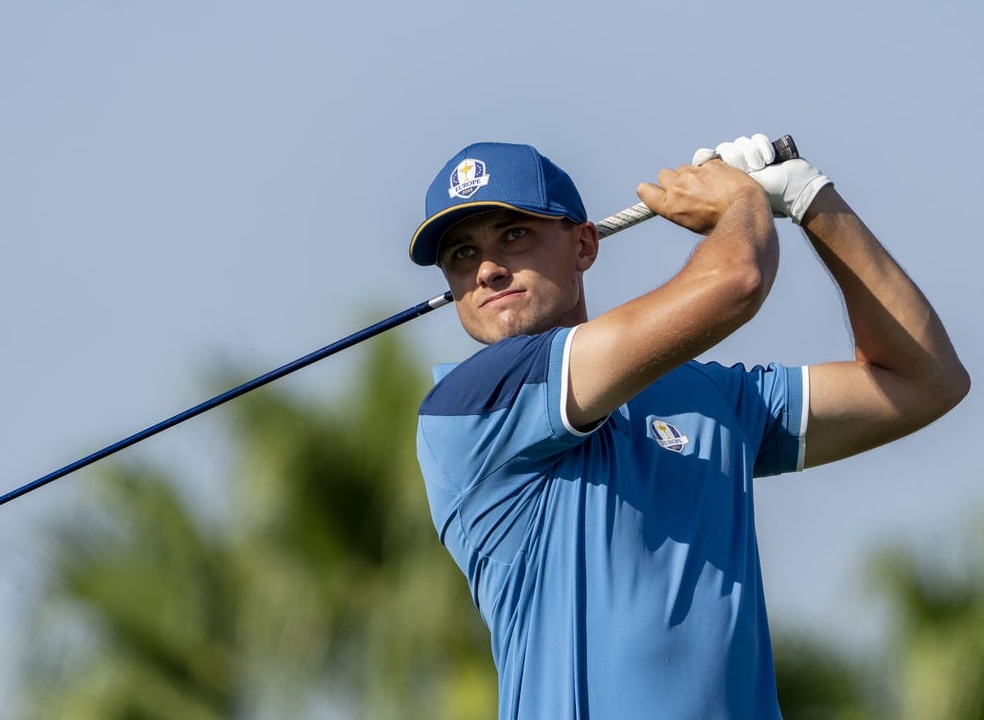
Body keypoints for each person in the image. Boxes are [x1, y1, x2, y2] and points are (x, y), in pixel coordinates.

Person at [408, 135, 970, 719]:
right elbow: (736, 281)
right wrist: (740, 203)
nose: (489, 270)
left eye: (514, 235)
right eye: (461, 255)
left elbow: (925, 379)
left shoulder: (706, 397)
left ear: (583, 244)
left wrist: (812, 200)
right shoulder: (468, 408)